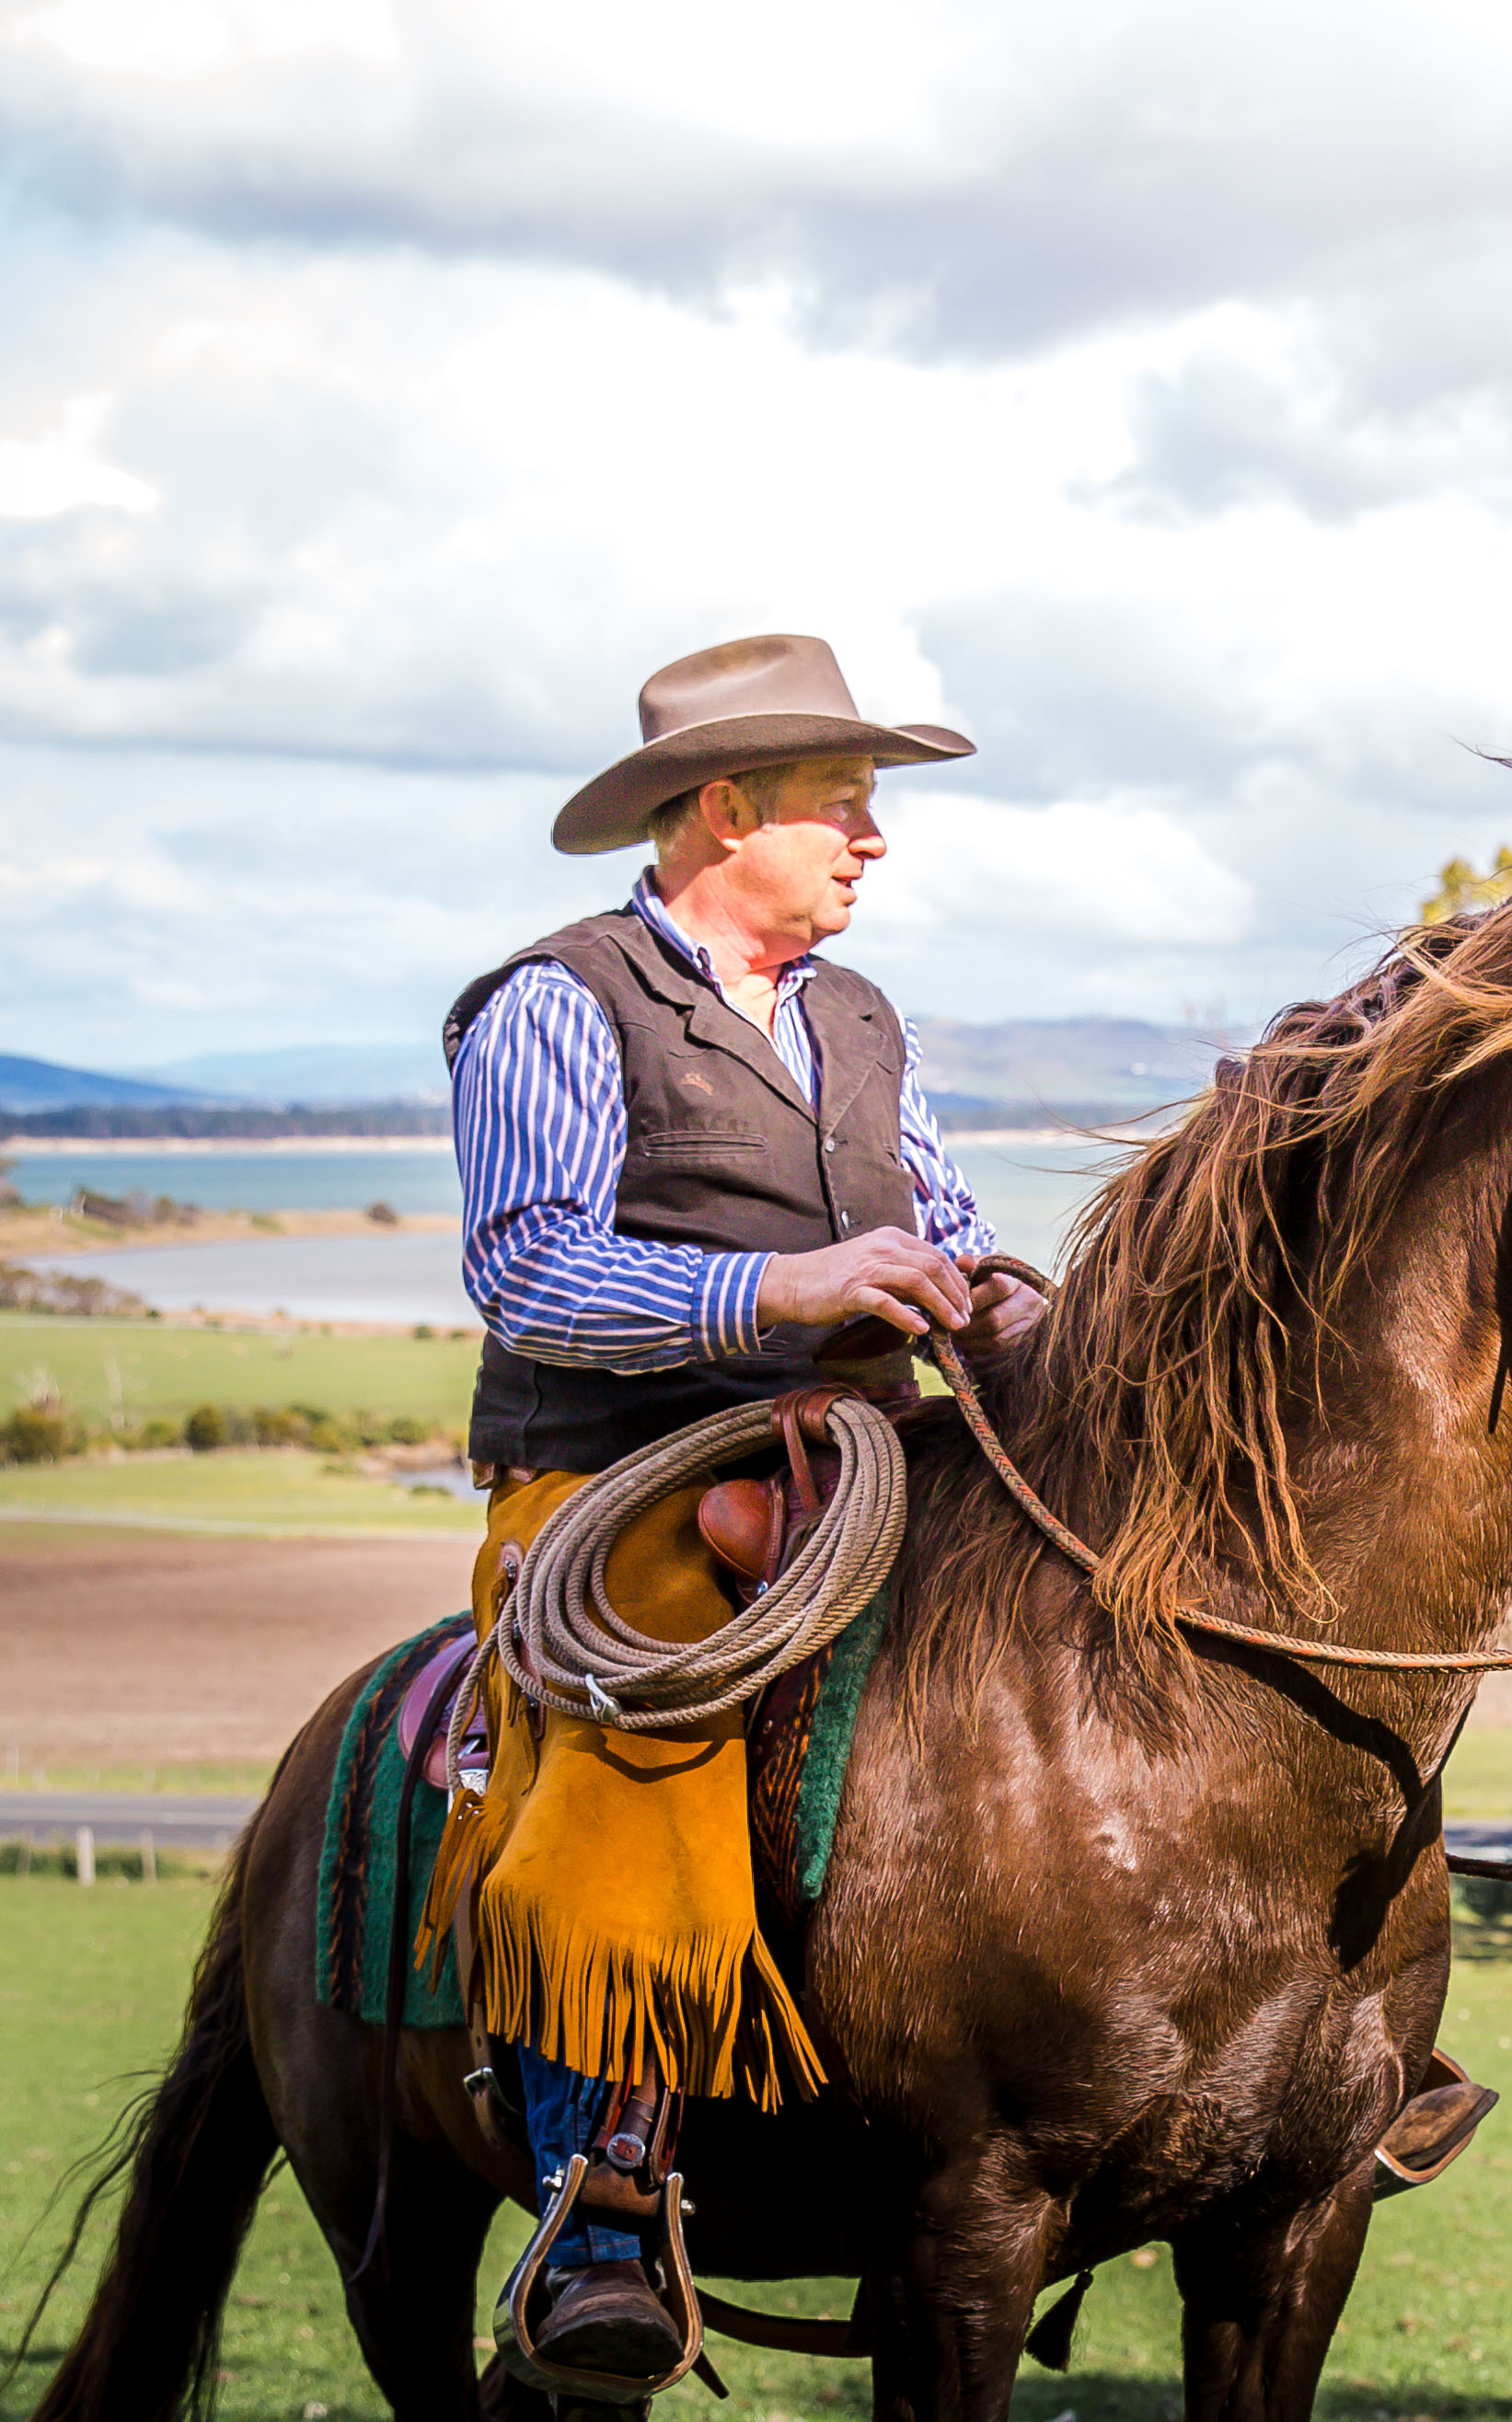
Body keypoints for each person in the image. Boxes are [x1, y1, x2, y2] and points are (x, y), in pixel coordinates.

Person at [429, 633, 1044, 2381]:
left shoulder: (862, 1016)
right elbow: (532, 1273)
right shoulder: (558, 999)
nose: (874, 837)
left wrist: (1006, 1304)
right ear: (723, 810)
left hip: (859, 1453)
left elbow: (932, 1216)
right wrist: (778, 1296)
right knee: (661, 1678)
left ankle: (1289, 2029)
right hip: (627, 1473)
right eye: (845, 802)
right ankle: (603, 2186)